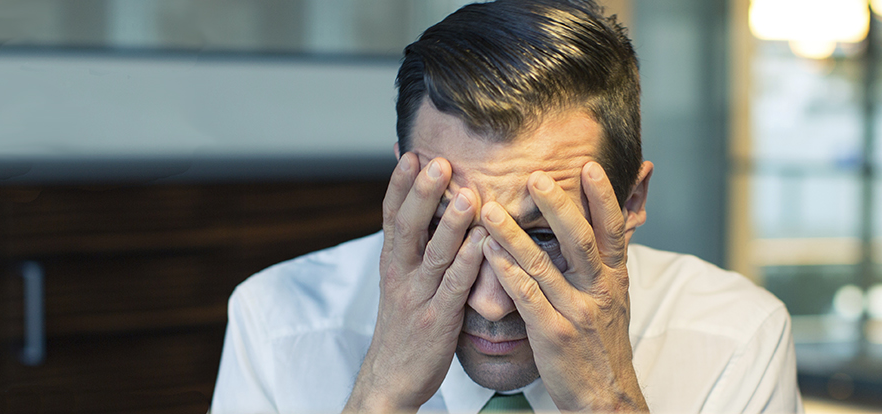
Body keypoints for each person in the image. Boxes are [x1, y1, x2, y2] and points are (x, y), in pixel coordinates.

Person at [210, 1, 801, 412]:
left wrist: (605, 401)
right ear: (401, 190)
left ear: (631, 201)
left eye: (544, 237)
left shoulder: (736, 336)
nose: (492, 302)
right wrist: (381, 395)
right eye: (449, 230)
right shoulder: (277, 323)